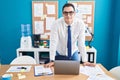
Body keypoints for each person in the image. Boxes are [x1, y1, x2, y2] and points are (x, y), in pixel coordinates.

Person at [45, 3, 95, 67]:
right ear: (63, 14)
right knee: (58, 73)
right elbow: (53, 42)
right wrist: (52, 60)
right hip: (60, 53)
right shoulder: (56, 24)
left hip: (73, 53)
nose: (68, 15)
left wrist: (84, 60)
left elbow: (81, 43)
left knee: (75, 72)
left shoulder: (80, 24)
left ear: (74, 13)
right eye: (65, 13)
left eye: (71, 12)